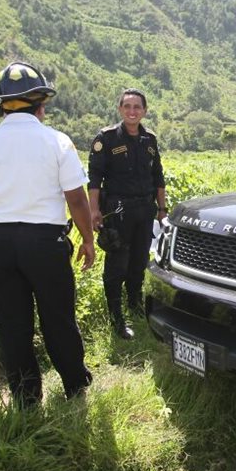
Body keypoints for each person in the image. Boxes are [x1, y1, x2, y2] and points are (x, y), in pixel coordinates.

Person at [0, 62, 95, 407]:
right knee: (58, 318)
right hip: (44, 243)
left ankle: (26, 398)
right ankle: (75, 387)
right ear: (41, 105)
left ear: (1, 104)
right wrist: (88, 240)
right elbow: (77, 199)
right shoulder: (57, 142)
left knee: (12, 323)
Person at [88, 88, 167, 340]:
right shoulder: (107, 138)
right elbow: (95, 179)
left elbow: (158, 177)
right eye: (127, 106)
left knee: (139, 261)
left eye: (137, 107)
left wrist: (162, 209)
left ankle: (134, 306)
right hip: (118, 209)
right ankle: (116, 319)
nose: (132, 111)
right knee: (116, 264)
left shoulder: (149, 140)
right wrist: (93, 210)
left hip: (145, 209)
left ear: (144, 111)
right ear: (120, 109)